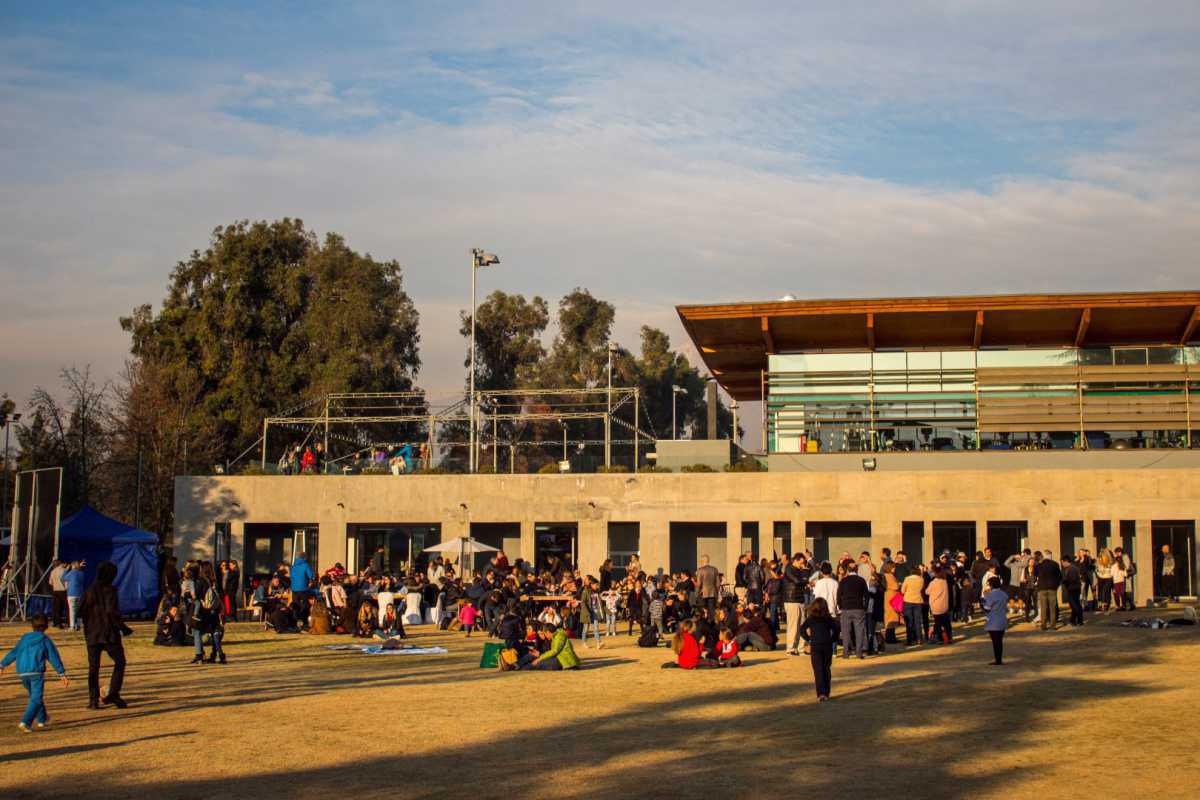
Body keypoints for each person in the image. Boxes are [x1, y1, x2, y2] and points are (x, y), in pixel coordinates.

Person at [0, 613, 69, 733]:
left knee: (35, 697)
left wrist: (2, 665)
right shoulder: (45, 639)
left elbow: (14, 652)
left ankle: (42, 719)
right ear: (46, 626)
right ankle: (25, 722)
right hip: (36, 672)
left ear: (32, 625)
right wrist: (61, 673)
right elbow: (53, 657)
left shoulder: (24, 638)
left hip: (22, 672)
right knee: (36, 699)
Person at [80, 560, 132, 709]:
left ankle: (93, 699)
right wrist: (123, 628)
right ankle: (114, 693)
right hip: (109, 633)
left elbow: (80, 610)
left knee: (93, 668)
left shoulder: (89, 590)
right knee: (120, 662)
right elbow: (111, 612)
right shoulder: (110, 590)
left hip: (92, 633)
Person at [799, 597, 840, 701]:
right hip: (827, 644)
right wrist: (832, 639)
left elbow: (802, 629)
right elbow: (836, 629)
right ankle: (826, 692)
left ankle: (821, 693)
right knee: (826, 668)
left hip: (816, 645)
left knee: (818, 670)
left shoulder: (811, 618)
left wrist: (809, 639)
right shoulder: (828, 618)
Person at [835, 563, 868, 659]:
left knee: (845, 632)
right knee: (859, 631)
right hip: (858, 607)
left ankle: (846, 653)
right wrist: (865, 607)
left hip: (846, 608)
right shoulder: (861, 580)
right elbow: (867, 595)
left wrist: (840, 606)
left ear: (848, 570)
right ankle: (859, 653)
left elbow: (839, 595)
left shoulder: (844, 580)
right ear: (857, 570)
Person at [781, 553, 808, 656]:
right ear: (796, 560)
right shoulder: (789, 569)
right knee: (793, 625)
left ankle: (800, 648)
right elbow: (797, 581)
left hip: (800, 600)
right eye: (801, 562)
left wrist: (805, 571)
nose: (803, 564)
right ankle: (790, 648)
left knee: (802, 625)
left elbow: (804, 579)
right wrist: (805, 580)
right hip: (791, 600)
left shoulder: (799, 570)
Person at [981, 576, 1009, 665]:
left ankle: (997, 660)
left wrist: (982, 601)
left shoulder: (991, 595)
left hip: (993, 621)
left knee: (995, 642)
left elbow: (987, 608)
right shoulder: (1004, 594)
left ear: (992, 585)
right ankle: (999, 659)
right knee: (999, 641)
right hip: (1002, 620)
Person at [1033, 551, 1061, 631]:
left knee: (1043, 607)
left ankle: (1043, 625)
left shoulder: (1039, 565)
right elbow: (1059, 576)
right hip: (1052, 588)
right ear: (1050, 556)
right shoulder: (1055, 564)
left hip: (1042, 588)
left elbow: (1035, 575)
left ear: (1044, 556)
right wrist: (1056, 585)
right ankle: (1053, 625)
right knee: (1052, 607)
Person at [900, 565, 926, 645]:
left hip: (908, 600)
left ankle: (910, 640)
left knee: (909, 621)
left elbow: (902, 590)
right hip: (918, 601)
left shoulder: (907, 579)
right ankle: (919, 639)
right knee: (917, 621)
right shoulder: (921, 579)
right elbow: (922, 589)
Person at [927, 565, 953, 644]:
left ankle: (940, 639)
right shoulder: (944, 581)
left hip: (936, 605)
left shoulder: (933, 582)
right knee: (946, 623)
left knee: (938, 623)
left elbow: (927, 591)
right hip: (945, 605)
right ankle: (949, 638)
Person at [1061, 556, 1084, 627]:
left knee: (1074, 605)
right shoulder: (1072, 568)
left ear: (1066, 561)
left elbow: (1072, 579)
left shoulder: (1071, 569)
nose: (1062, 564)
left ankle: (1078, 620)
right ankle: (1073, 620)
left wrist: (1064, 581)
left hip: (1072, 588)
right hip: (1074, 588)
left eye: (1062, 562)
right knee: (1075, 604)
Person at [64, 561, 86, 631]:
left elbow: (63, 578)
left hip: (71, 594)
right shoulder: (82, 573)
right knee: (79, 611)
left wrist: (67, 569)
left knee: (72, 611)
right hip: (80, 594)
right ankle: (79, 625)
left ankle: (72, 626)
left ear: (73, 566)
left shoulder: (71, 572)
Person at [48, 560, 68, 629]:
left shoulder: (52, 571)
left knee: (56, 608)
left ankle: (56, 622)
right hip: (63, 591)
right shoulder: (64, 570)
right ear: (60, 564)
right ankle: (68, 622)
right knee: (67, 607)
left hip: (55, 591)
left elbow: (50, 582)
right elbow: (67, 581)